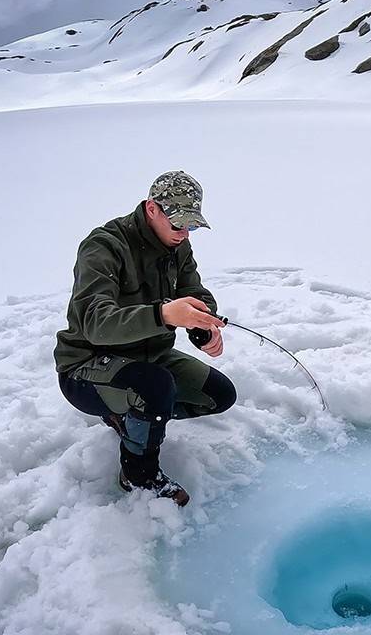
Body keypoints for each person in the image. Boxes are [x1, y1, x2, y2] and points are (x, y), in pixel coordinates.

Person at [53, 171, 236, 506]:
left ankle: (130, 418)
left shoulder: (177, 246)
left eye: (191, 226)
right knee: (154, 388)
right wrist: (163, 315)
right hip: (86, 367)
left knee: (219, 395)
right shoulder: (105, 246)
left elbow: (194, 292)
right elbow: (95, 322)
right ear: (152, 209)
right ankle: (138, 475)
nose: (184, 233)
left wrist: (202, 326)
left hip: (149, 357)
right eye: (178, 223)